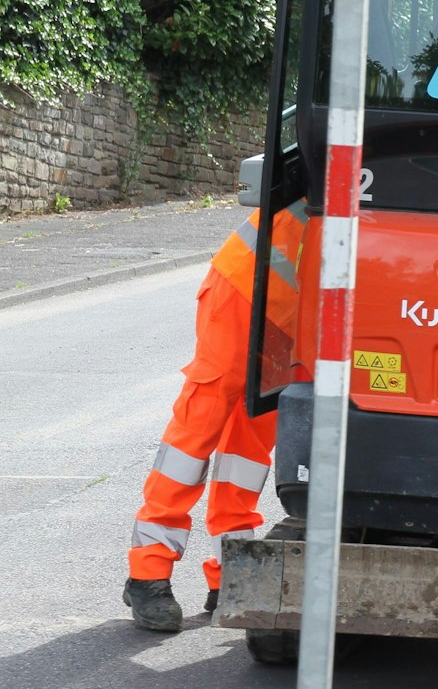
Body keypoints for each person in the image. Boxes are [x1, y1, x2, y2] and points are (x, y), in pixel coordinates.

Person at [126, 200, 308, 632]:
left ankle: (232, 574)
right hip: (244, 288)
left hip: (300, 320)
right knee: (199, 427)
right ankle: (148, 572)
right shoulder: (353, 141)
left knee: (249, 448)